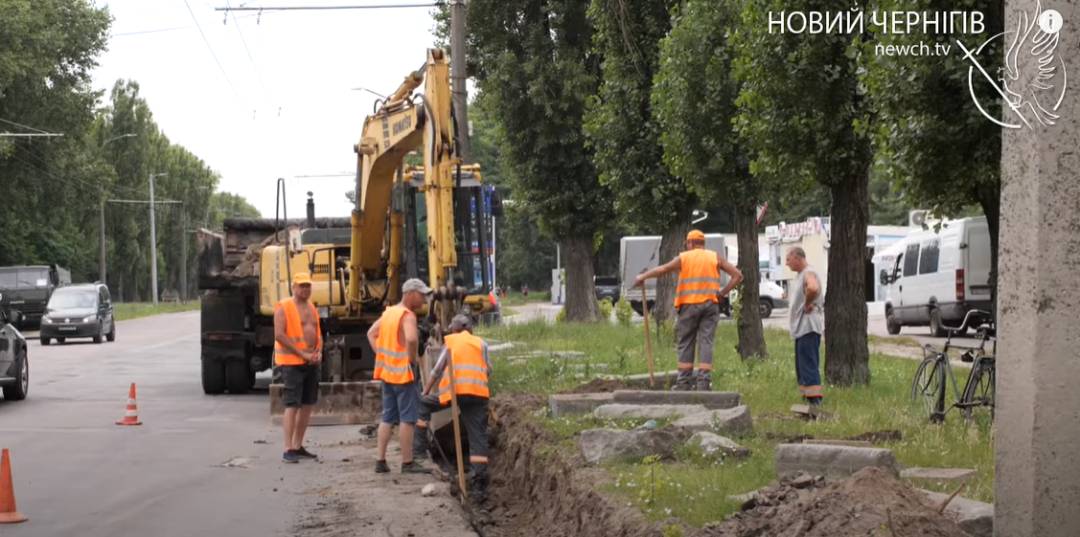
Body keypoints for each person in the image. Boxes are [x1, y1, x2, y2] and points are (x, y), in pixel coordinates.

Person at [633, 229, 742, 391]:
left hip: (689, 307)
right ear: (702, 243)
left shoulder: (684, 257)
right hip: (710, 305)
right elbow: (738, 276)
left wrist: (643, 277)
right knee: (706, 342)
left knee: (686, 342)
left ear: (690, 243)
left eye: (687, 243)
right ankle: (703, 383)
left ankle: (683, 383)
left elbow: (663, 269)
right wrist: (722, 293)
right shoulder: (715, 257)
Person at [414, 314, 492, 501]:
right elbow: (488, 370)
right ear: (470, 328)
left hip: (453, 395)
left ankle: (418, 451)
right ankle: (479, 484)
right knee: (478, 438)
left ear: (456, 329)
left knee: (423, 404)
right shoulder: (481, 344)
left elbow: (436, 370)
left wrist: (425, 391)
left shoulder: (451, 343)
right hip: (477, 395)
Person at [367, 278, 433, 474]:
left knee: (387, 417)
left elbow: (371, 333)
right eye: (421, 295)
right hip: (403, 376)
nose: (423, 300)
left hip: (388, 374)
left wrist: (383, 356)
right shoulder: (407, 315)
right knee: (408, 419)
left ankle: (380, 460)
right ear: (411, 293)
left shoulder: (389, 313)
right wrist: (410, 362)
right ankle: (407, 463)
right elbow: (412, 339)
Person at [274, 272, 322, 464]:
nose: (305, 289)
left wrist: (318, 352)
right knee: (292, 404)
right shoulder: (284, 307)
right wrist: (302, 354)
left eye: (308, 286)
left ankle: (298, 444)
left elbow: (318, 331)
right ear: (294, 287)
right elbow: (279, 335)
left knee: (308, 404)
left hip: (311, 361)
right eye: (302, 286)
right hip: (292, 363)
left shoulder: (312, 307)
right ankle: (288, 448)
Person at [785, 247, 824, 405]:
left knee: (808, 365)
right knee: (802, 367)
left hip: (808, 327)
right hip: (801, 329)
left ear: (797, 257)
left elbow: (813, 287)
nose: (787, 264)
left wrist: (808, 303)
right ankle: (807, 402)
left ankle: (815, 404)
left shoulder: (809, 272)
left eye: (788, 259)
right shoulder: (800, 275)